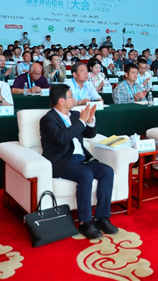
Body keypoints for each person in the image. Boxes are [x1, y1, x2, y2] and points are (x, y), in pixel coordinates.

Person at [39, 85, 116, 239]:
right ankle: (85, 222)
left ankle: (101, 218)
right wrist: (81, 122)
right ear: (61, 100)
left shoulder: (74, 115)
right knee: (86, 174)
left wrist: (90, 120)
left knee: (107, 171)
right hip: (62, 160)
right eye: (71, 96)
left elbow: (90, 134)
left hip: (82, 158)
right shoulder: (48, 120)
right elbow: (61, 139)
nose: (74, 99)